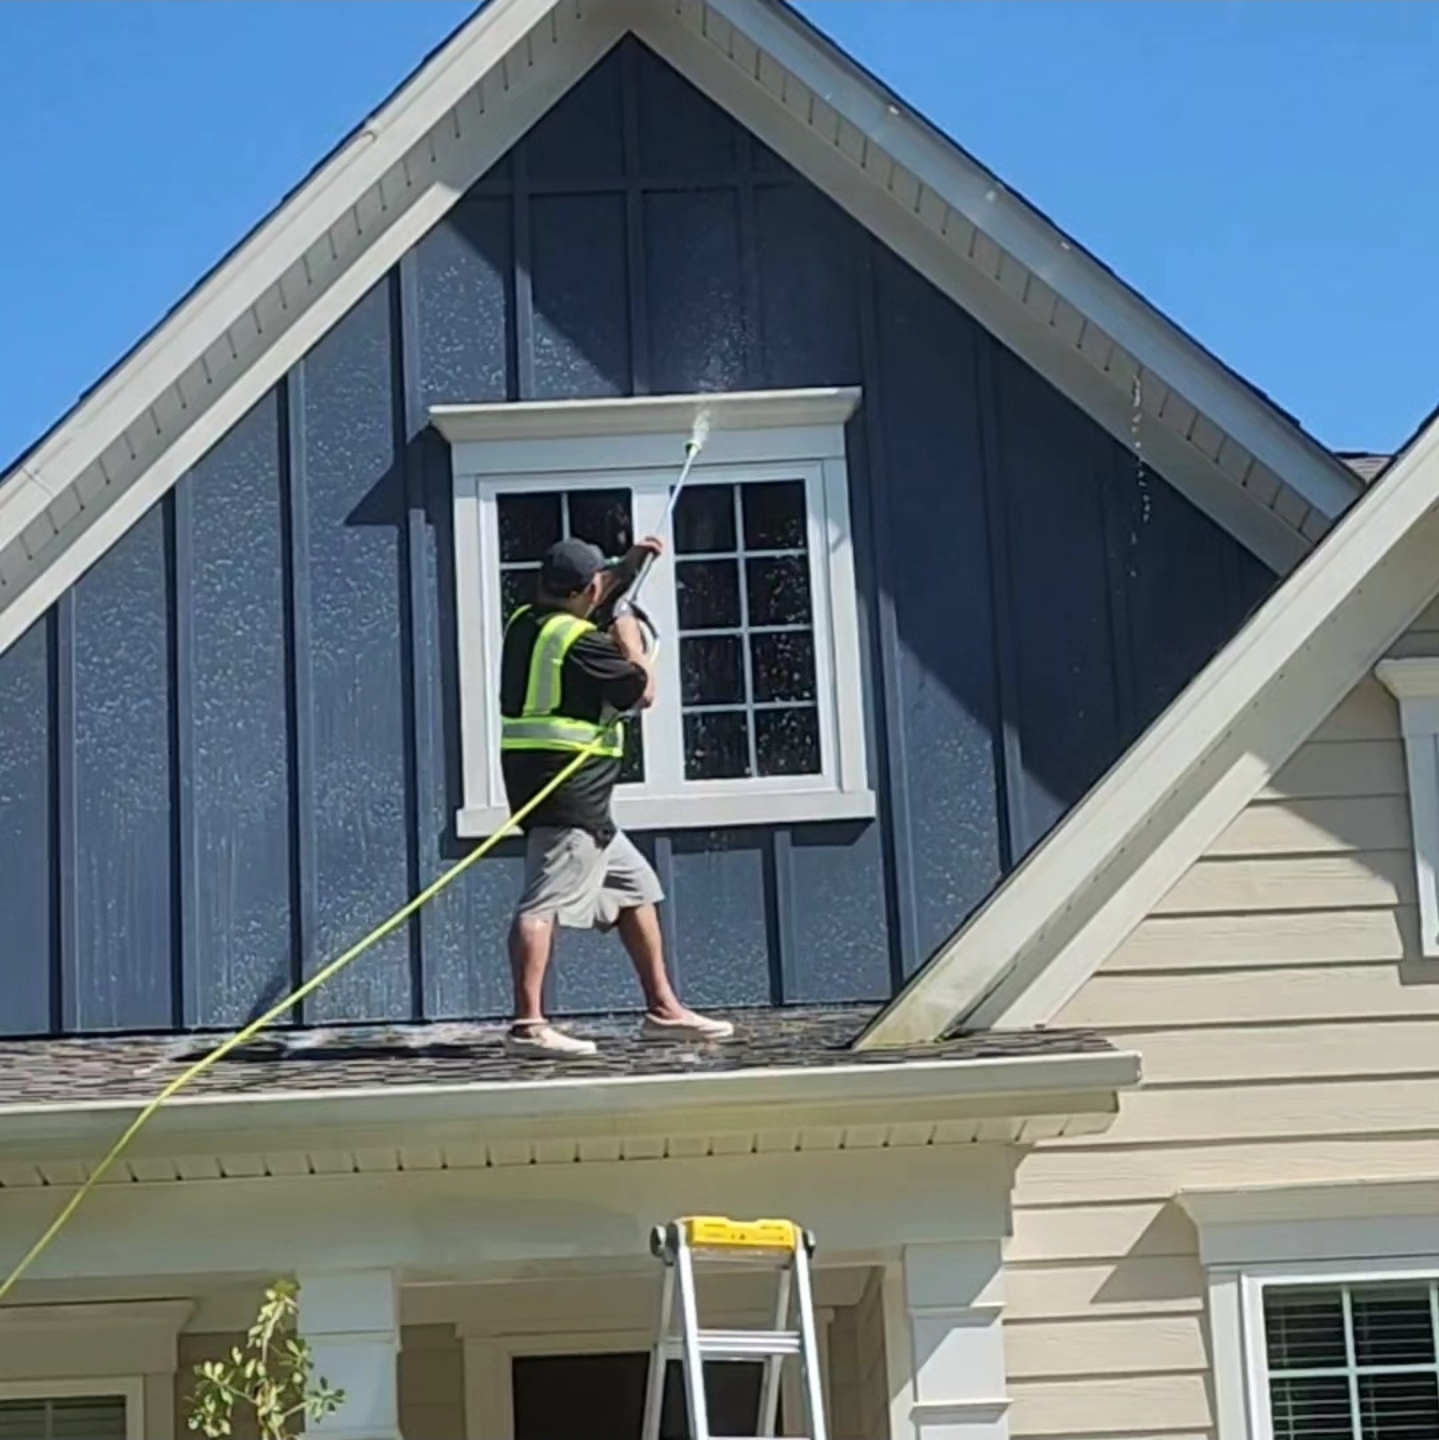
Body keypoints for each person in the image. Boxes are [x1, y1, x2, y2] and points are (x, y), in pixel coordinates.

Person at [498, 534, 735, 1057]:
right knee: (543, 901)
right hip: (567, 792)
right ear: (586, 592)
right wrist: (630, 637)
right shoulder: (581, 643)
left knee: (635, 889)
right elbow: (642, 691)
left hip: (567, 791)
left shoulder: (526, 621)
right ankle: (528, 1025)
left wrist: (631, 563)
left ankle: (663, 1011)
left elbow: (597, 588)